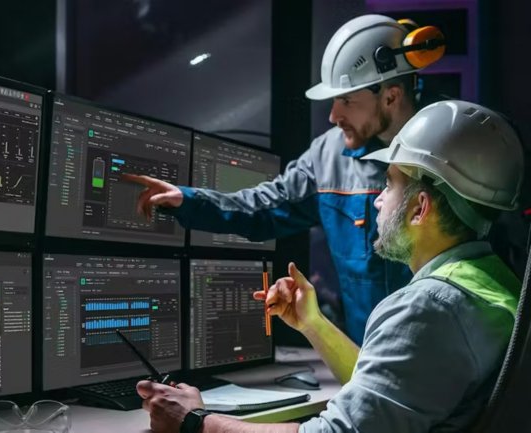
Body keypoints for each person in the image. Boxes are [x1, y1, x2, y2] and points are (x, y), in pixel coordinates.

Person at [137, 100, 525, 433]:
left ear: (420, 209)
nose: (376, 201)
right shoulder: (492, 282)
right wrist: (313, 323)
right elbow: (389, 390)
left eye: (388, 185)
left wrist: (195, 420)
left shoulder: (428, 308)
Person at [124, 14, 447, 344]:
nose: (334, 116)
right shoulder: (327, 157)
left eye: (346, 100)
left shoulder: (454, 147)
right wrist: (186, 200)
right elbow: (264, 208)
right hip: (367, 364)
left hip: (444, 364)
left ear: (391, 96)